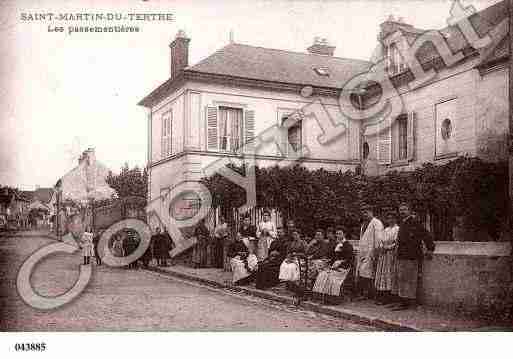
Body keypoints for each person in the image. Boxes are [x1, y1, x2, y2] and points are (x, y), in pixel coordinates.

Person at [391, 203, 435, 311]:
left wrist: (430, 249)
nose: (402, 212)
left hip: (411, 255)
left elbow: (426, 235)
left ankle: (406, 303)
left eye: (405, 210)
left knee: (408, 280)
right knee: (401, 279)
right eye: (400, 210)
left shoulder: (415, 222)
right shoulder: (403, 223)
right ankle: (402, 301)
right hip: (402, 255)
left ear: (409, 211)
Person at [312, 227, 355, 304]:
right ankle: (323, 297)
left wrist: (340, 263)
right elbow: (334, 258)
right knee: (323, 274)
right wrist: (329, 262)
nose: (338, 235)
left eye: (340, 234)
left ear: (344, 234)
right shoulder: (337, 244)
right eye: (337, 234)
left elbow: (349, 260)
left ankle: (334, 299)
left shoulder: (348, 245)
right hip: (334, 267)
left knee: (330, 276)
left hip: (344, 268)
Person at [356, 204, 383, 300]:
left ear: (371, 212)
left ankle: (370, 294)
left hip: (372, 252)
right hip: (363, 252)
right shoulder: (364, 224)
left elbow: (378, 239)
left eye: (366, 212)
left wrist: (376, 252)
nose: (364, 214)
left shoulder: (377, 223)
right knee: (363, 273)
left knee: (369, 274)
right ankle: (366, 293)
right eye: (363, 212)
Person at [374, 212, 400, 305]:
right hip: (383, 255)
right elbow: (381, 240)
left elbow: (396, 242)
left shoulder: (397, 229)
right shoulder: (385, 230)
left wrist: (388, 248)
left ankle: (390, 297)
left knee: (390, 274)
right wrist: (382, 246)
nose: (390, 220)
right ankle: (382, 295)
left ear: (396, 219)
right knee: (382, 275)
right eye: (389, 218)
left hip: (391, 254)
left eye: (392, 218)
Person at [279, 229, 308, 302]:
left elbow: (306, 253)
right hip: (292, 258)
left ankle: (295, 283)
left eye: (296, 235)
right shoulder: (291, 243)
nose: (295, 236)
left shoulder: (303, 243)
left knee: (292, 267)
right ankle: (288, 283)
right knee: (284, 265)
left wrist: (297, 255)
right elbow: (288, 252)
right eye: (293, 235)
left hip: (300, 259)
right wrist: (289, 258)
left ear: (299, 235)